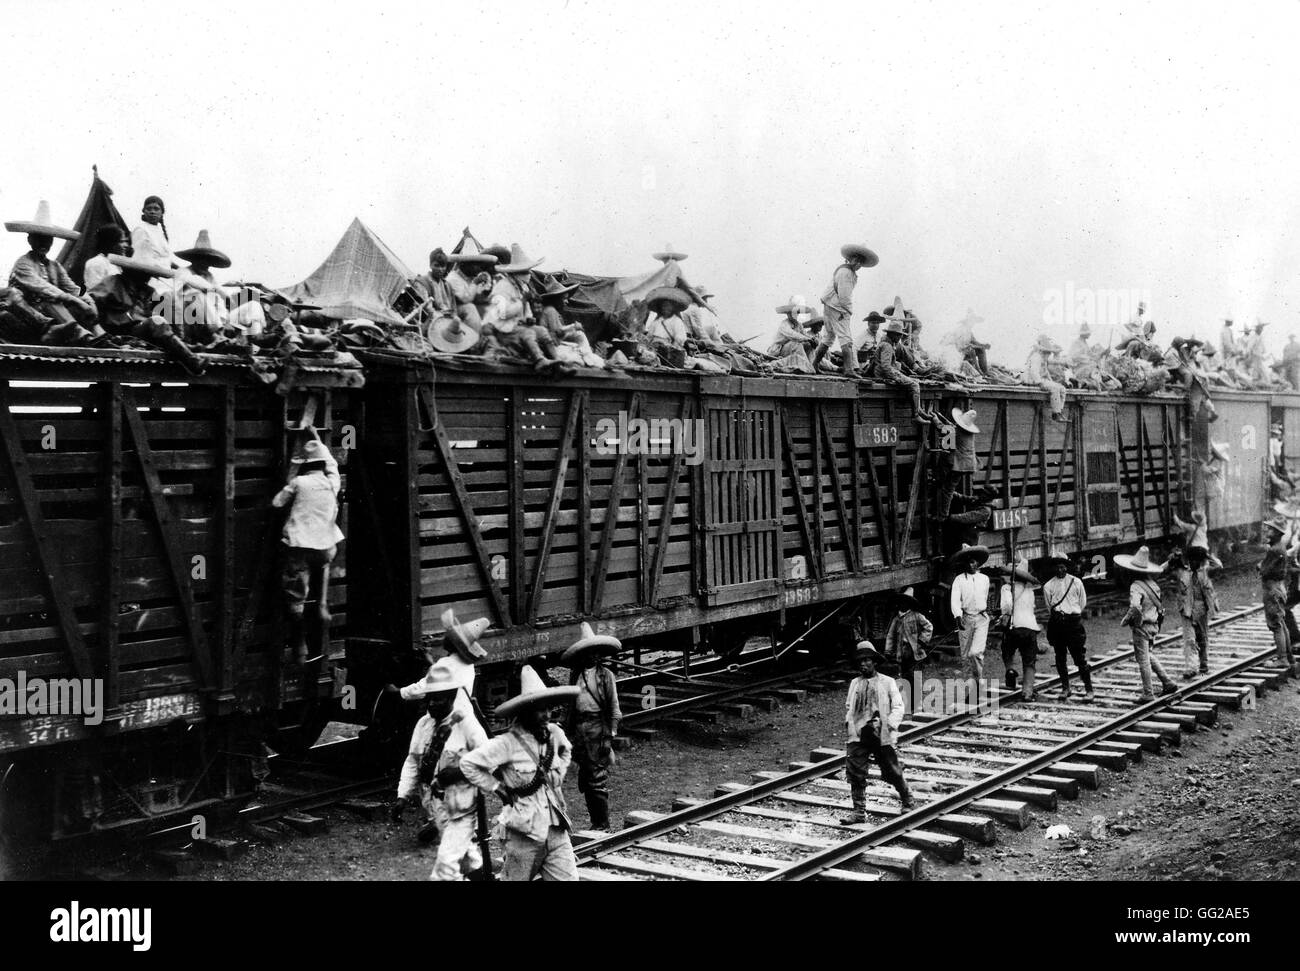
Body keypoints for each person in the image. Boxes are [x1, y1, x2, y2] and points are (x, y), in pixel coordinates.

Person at [459, 666, 581, 881]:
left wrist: (559, 774)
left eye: (549, 709)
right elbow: (468, 764)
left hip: (556, 830)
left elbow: (566, 750)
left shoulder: (554, 734)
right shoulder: (507, 744)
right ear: (525, 713)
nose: (547, 715)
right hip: (524, 834)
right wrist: (497, 788)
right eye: (540, 710)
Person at [391, 665, 490, 880]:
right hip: (435, 805)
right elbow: (413, 761)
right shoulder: (423, 725)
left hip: (461, 803)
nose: (432, 704)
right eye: (429, 699)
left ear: (452, 697)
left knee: (450, 864)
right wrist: (402, 796)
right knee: (466, 858)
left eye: (439, 699)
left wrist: (459, 772)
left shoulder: (467, 725)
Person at [270, 431, 342, 664]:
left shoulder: (299, 482)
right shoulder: (332, 483)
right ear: (322, 464)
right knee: (324, 564)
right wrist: (315, 437)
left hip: (300, 544)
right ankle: (322, 604)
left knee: (295, 594)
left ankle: (300, 644)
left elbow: (276, 503)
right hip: (325, 546)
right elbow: (332, 463)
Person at [89, 255, 208, 374]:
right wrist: (99, 328)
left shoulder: (148, 291)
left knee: (170, 303)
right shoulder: (113, 282)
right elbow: (91, 301)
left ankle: (183, 346)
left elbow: (161, 314)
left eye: (148, 275)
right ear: (131, 272)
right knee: (156, 321)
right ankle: (192, 360)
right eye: (144, 274)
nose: (147, 278)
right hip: (119, 332)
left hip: (140, 333)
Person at [5, 201, 100, 344]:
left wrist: (88, 301)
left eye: (48, 239)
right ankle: (82, 335)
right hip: (28, 313)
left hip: (51, 311)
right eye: (39, 239)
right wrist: (75, 300)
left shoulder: (55, 266)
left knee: (79, 305)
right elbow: (44, 287)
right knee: (53, 300)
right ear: (30, 240)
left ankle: (99, 336)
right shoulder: (23, 264)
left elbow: (72, 288)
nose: (44, 244)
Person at [839, 642, 912, 824]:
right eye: (860, 661)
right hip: (858, 734)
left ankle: (907, 798)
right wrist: (850, 723)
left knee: (891, 770)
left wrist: (888, 726)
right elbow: (849, 705)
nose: (863, 664)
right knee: (855, 772)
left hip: (881, 733)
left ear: (874, 662)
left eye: (867, 660)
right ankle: (858, 811)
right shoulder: (855, 683)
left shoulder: (888, 682)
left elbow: (898, 707)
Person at [561, 623, 622, 832]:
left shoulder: (606, 676)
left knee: (597, 778)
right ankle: (596, 822)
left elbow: (614, 709)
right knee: (586, 779)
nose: (593, 657)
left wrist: (609, 736)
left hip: (598, 728)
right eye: (589, 653)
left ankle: (602, 824)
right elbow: (570, 706)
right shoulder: (575, 675)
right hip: (580, 730)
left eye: (596, 653)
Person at [1116, 546, 1178, 700]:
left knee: (1142, 660)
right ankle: (1168, 682)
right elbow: (1161, 570)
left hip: (1142, 627)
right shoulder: (1153, 584)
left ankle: (1148, 693)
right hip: (1154, 625)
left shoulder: (1136, 586)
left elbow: (1135, 607)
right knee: (1147, 655)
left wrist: (1128, 621)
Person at [813, 243, 877, 378]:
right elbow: (844, 297)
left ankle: (814, 364)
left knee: (829, 337)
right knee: (846, 337)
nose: (858, 263)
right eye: (856, 259)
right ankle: (848, 369)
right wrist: (848, 311)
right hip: (838, 307)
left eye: (861, 261)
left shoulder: (846, 271)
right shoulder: (846, 273)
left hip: (830, 305)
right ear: (850, 259)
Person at [1042, 550, 1093, 702]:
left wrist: (1072, 614)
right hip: (1057, 623)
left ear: (1067, 567)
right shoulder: (1048, 586)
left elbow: (1082, 603)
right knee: (1060, 657)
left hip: (1073, 623)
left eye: (1063, 566)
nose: (1060, 569)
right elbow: (1048, 606)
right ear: (1053, 568)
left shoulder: (1076, 582)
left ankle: (1089, 689)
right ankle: (1066, 688)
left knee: (1079, 657)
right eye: (1057, 566)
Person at [876, 305, 933, 425]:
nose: (901, 337)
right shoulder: (887, 346)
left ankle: (918, 410)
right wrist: (898, 376)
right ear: (894, 335)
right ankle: (916, 415)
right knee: (914, 384)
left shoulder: (888, 343)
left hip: (882, 371)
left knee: (912, 381)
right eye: (899, 335)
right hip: (882, 374)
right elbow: (886, 367)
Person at [949, 544, 991, 702]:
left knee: (976, 653)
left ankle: (979, 684)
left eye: (973, 562)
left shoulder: (984, 579)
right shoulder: (959, 580)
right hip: (966, 618)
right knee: (966, 656)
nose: (971, 565)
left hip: (981, 618)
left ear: (978, 563)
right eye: (968, 562)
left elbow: (984, 598)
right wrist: (958, 616)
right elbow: (955, 599)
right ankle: (970, 691)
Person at [998, 558, 1041, 700]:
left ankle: (1010, 669)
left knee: (1007, 651)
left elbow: (1006, 608)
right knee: (1029, 660)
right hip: (1030, 627)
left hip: (1014, 627)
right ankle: (1027, 692)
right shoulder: (1030, 586)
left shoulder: (1006, 588)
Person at [535, 278, 603, 367]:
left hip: (554, 344)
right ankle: (588, 358)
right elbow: (557, 333)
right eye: (564, 299)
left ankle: (588, 357)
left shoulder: (553, 311)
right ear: (555, 299)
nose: (566, 301)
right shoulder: (550, 310)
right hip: (551, 347)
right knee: (579, 343)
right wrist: (573, 327)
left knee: (579, 336)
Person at [1174, 546, 1218, 677]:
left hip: (1201, 609)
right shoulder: (1183, 573)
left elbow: (1218, 566)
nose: (1193, 563)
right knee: (1189, 640)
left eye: (1196, 560)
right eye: (1191, 560)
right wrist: (1172, 559)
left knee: (1202, 638)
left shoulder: (1205, 572)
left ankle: (1204, 664)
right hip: (1187, 610)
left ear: (1200, 561)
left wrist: (1207, 555)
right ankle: (1191, 667)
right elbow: (1161, 570)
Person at [1258, 519, 1296, 671]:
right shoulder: (1280, 547)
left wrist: (1260, 567)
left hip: (1272, 588)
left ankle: (1282, 659)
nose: (1267, 532)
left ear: (1276, 533)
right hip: (1279, 587)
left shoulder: (1274, 550)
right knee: (1281, 622)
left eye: (1270, 530)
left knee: (1275, 623)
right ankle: (1289, 656)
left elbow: (1264, 571)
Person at [937, 406, 981, 519]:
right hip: (967, 464)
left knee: (947, 490)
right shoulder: (967, 432)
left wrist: (935, 420)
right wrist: (941, 417)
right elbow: (952, 427)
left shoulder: (957, 431)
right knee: (949, 487)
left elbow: (944, 429)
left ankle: (943, 517)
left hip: (960, 464)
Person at [883, 587, 932, 683]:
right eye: (901, 602)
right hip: (902, 650)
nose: (903, 604)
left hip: (914, 649)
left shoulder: (917, 616)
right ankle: (908, 692)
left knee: (916, 673)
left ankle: (916, 694)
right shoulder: (896, 619)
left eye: (906, 602)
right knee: (904, 673)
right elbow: (890, 636)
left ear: (910, 604)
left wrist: (922, 640)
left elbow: (929, 627)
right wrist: (888, 651)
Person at [445, 243, 497, 330]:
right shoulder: (453, 278)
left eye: (478, 264)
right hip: (453, 312)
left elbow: (477, 297)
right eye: (474, 265)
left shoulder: (469, 278)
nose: (478, 268)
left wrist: (487, 291)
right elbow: (465, 299)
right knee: (470, 308)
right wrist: (476, 282)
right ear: (464, 265)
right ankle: (477, 337)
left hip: (466, 311)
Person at [130, 196, 182, 275]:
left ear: (162, 212)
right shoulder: (141, 229)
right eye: (149, 208)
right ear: (144, 211)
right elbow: (141, 259)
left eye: (156, 209)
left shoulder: (159, 231)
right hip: (150, 276)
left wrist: (182, 269)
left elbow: (166, 258)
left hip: (165, 275)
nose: (152, 212)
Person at [1024, 334, 1069, 422]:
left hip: (1042, 380)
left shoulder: (1043, 359)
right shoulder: (1036, 357)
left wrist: (1051, 381)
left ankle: (1059, 411)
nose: (1049, 354)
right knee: (1055, 389)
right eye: (1047, 352)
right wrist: (1039, 383)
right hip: (1033, 380)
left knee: (1062, 389)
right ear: (1043, 351)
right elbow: (1034, 372)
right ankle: (1056, 413)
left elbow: (1046, 372)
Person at [767, 296, 817, 360]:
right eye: (791, 313)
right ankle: (805, 364)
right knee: (796, 344)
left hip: (790, 348)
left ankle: (811, 363)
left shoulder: (799, 325)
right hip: (778, 350)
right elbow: (793, 335)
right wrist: (807, 339)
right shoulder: (784, 324)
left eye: (795, 313)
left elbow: (805, 334)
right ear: (787, 314)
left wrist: (812, 339)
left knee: (809, 345)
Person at [83, 225, 128, 291]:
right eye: (121, 242)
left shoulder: (115, 263)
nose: (126, 245)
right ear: (111, 243)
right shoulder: (96, 262)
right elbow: (96, 292)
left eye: (125, 242)